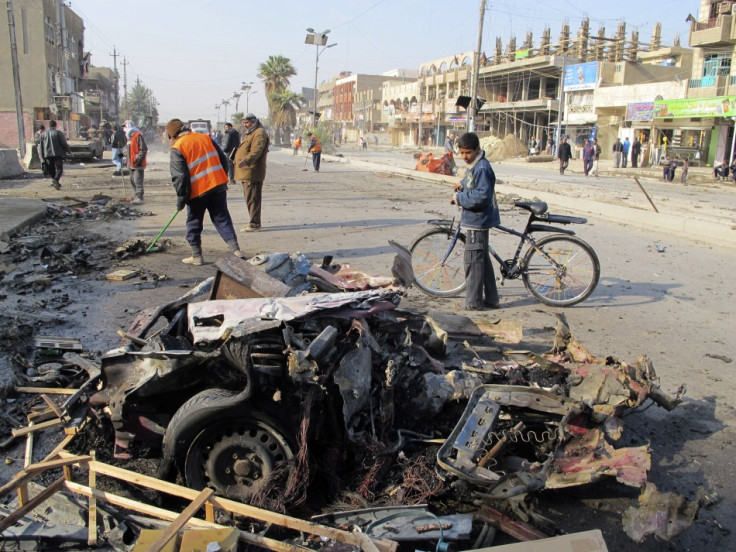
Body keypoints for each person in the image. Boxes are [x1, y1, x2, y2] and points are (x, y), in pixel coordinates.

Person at [166, 118, 242, 265]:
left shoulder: (178, 147)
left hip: (198, 191)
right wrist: (221, 177)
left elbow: (180, 177)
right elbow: (222, 159)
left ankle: (196, 256)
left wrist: (181, 199)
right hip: (218, 185)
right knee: (222, 218)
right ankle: (236, 250)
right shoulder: (205, 138)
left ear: (172, 136)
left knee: (194, 221)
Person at [449, 132, 501, 311]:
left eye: (468, 153)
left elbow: (481, 196)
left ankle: (473, 302)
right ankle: (492, 298)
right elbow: (472, 183)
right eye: (462, 153)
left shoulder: (482, 168)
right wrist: (462, 184)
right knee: (482, 259)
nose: (464, 157)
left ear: (477, 150)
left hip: (478, 220)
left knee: (473, 261)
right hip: (477, 219)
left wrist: (459, 197)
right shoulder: (476, 165)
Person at [234, 113, 269, 232]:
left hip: (252, 171)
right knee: (250, 198)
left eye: (247, 122)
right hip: (246, 171)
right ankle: (253, 221)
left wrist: (246, 160)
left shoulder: (259, 133)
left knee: (253, 198)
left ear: (253, 122)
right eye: (243, 122)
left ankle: (254, 224)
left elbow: (257, 150)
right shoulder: (251, 132)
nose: (245, 125)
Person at [40, 120, 72, 190]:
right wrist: (69, 151)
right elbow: (64, 143)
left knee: (51, 169)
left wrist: (42, 156)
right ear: (55, 126)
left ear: (49, 125)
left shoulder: (43, 134)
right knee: (59, 169)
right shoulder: (58, 133)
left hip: (47, 154)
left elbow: (41, 146)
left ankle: (55, 181)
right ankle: (56, 180)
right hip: (57, 154)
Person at [123, 120, 148, 204]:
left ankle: (140, 198)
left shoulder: (138, 135)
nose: (124, 129)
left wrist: (139, 159)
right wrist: (124, 155)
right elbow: (130, 150)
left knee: (138, 180)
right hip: (131, 163)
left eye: (125, 126)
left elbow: (143, 149)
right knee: (132, 180)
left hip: (138, 163)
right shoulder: (129, 137)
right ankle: (136, 195)